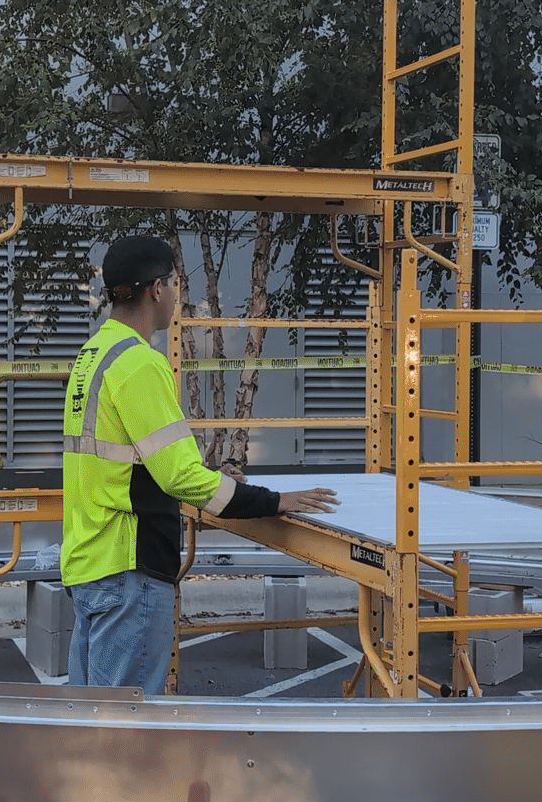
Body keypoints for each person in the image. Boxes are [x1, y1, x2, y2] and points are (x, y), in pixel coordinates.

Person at [61, 235, 339, 694]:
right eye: (174, 283)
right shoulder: (139, 364)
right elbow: (179, 475)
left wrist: (210, 476)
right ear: (156, 289)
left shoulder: (93, 356)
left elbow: (134, 462)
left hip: (91, 563)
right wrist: (274, 501)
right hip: (129, 567)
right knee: (121, 737)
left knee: (91, 729)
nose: (176, 294)